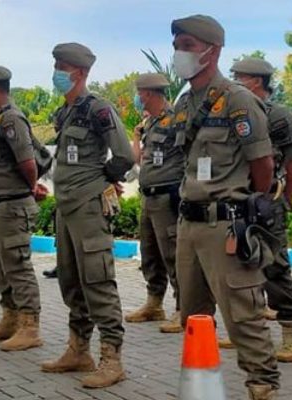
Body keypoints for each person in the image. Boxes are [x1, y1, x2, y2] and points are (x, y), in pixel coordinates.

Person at [171, 15, 279, 399]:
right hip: (190, 227)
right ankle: (202, 388)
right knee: (193, 318)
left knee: (243, 315)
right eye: (176, 46)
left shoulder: (237, 99)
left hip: (225, 226)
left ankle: (262, 386)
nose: (178, 54)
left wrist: (247, 208)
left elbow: (262, 165)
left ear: (210, 51)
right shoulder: (185, 103)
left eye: (186, 45)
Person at [40, 44, 134, 388]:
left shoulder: (99, 109)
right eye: (55, 66)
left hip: (89, 209)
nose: (56, 73)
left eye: (61, 67)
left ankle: (112, 358)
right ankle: (79, 350)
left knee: (98, 281)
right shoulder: (65, 113)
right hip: (66, 209)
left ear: (79, 73)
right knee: (71, 281)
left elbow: (123, 155)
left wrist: (102, 181)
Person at [231, 57, 292, 362]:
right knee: (241, 267)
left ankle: (291, 333)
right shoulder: (236, 113)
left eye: (240, 77)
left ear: (257, 81)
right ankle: (251, 332)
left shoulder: (280, 116)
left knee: (275, 267)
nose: (235, 81)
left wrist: (285, 196)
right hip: (237, 200)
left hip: (267, 201)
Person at [0, 66, 43, 351]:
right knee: (2, 268)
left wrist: (31, 186)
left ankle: (30, 326)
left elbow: (27, 163)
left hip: (11, 206)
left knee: (18, 267)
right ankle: (10, 317)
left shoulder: (12, 118)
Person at [124, 73, 184, 334]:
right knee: (150, 253)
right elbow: (138, 160)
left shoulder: (175, 121)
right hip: (148, 196)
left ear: (148, 93)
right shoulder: (149, 123)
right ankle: (154, 302)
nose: (138, 98)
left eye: (139, 93)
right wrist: (137, 136)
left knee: (173, 254)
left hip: (167, 197)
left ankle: (183, 308)